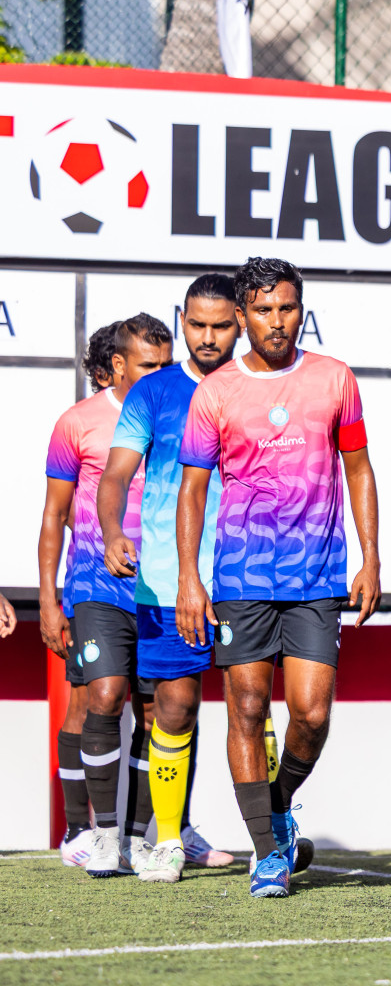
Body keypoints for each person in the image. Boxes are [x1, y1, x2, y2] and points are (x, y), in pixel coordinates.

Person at [176, 256, 381, 899]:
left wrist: (370, 556)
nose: (277, 321)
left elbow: (360, 470)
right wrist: (190, 578)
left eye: (287, 308)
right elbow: (191, 491)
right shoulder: (215, 393)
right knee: (245, 705)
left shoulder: (335, 380)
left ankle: (278, 806)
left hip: (317, 577)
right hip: (239, 578)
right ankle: (268, 852)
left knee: (312, 713)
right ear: (241, 317)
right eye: (263, 310)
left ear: (302, 310)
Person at [99, 275, 246, 882]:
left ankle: (272, 835)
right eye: (197, 325)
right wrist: (112, 531)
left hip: (248, 578)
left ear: (240, 321)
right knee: (174, 708)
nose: (208, 338)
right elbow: (114, 477)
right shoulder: (153, 391)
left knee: (252, 707)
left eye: (221, 325)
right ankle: (165, 839)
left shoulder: (258, 389)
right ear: (182, 320)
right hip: (165, 581)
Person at [41, 315, 173, 877]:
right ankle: (98, 832)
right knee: (104, 693)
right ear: (117, 366)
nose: (159, 377)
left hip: (164, 585)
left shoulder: (184, 414)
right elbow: (53, 517)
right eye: (149, 366)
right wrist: (49, 600)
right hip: (97, 584)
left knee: (156, 710)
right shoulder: (78, 423)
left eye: (166, 366)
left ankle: (141, 839)